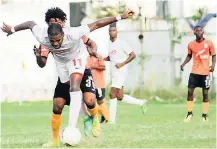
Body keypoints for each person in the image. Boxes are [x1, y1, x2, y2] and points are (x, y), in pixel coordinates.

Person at [1, 7, 134, 144]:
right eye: (53, 41)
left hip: (77, 59)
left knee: (76, 85)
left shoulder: (73, 33)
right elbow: (30, 24)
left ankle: (72, 126)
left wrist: (120, 17)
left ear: (63, 31)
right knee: (58, 103)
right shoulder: (42, 36)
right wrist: (14, 31)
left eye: (58, 40)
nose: (56, 44)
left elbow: (97, 24)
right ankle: (56, 140)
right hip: (62, 64)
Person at [104, 23, 147, 124]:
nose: (112, 32)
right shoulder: (109, 44)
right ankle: (141, 102)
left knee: (112, 93)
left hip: (121, 71)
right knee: (119, 96)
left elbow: (132, 55)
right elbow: (112, 57)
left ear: (117, 32)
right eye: (110, 30)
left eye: (114, 30)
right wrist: (103, 58)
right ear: (108, 32)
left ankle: (111, 120)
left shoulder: (122, 43)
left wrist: (122, 64)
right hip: (114, 72)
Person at [180, 25, 216, 122]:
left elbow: (213, 55)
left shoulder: (209, 43)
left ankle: (204, 115)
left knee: (205, 93)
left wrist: (213, 66)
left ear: (203, 32)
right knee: (190, 92)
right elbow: (189, 56)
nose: (199, 32)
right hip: (194, 72)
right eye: (197, 31)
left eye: (201, 30)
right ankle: (189, 113)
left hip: (205, 73)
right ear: (194, 32)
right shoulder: (191, 44)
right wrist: (183, 64)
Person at [86, 54, 109, 123]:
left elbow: (103, 67)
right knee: (88, 101)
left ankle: (106, 117)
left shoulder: (99, 56)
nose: (89, 49)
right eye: (87, 47)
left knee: (100, 101)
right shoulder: (86, 57)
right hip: (89, 83)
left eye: (90, 47)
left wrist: (93, 66)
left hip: (98, 83)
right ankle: (103, 115)